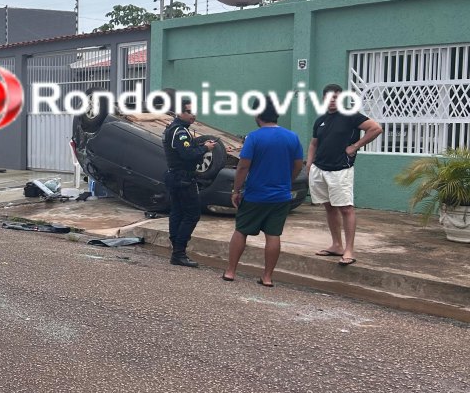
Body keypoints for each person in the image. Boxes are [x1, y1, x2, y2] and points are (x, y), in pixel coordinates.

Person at [221, 103, 304, 286]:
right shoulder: (292, 137)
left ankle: (231, 271)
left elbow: (243, 166)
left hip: (255, 195)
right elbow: (298, 164)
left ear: (258, 115)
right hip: (281, 196)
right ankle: (267, 277)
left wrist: (236, 190)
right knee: (273, 235)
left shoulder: (254, 137)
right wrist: (287, 181)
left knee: (241, 230)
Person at [306, 83, 383, 266]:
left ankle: (349, 250)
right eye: (329, 97)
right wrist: (309, 164)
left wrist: (355, 146)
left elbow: (375, 128)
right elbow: (314, 144)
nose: (332, 100)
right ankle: (336, 245)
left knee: (346, 208)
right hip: (320, 168)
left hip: (340, 169)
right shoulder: (321, 120)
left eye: (336, 97)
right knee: (329, 207)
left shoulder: (351, 116)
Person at [162, 101, 216, 267]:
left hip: (176, 176)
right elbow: (187, 154)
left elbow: (185, 150)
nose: (193, 115)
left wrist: (202, 146)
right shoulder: (180, 132)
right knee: (192, 215)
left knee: (177, 212)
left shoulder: (176, 128)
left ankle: (176, 250)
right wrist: (205, 148)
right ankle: (179, 252)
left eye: (194, 111)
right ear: (179, 113)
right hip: (183, 179)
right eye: (189, 111)